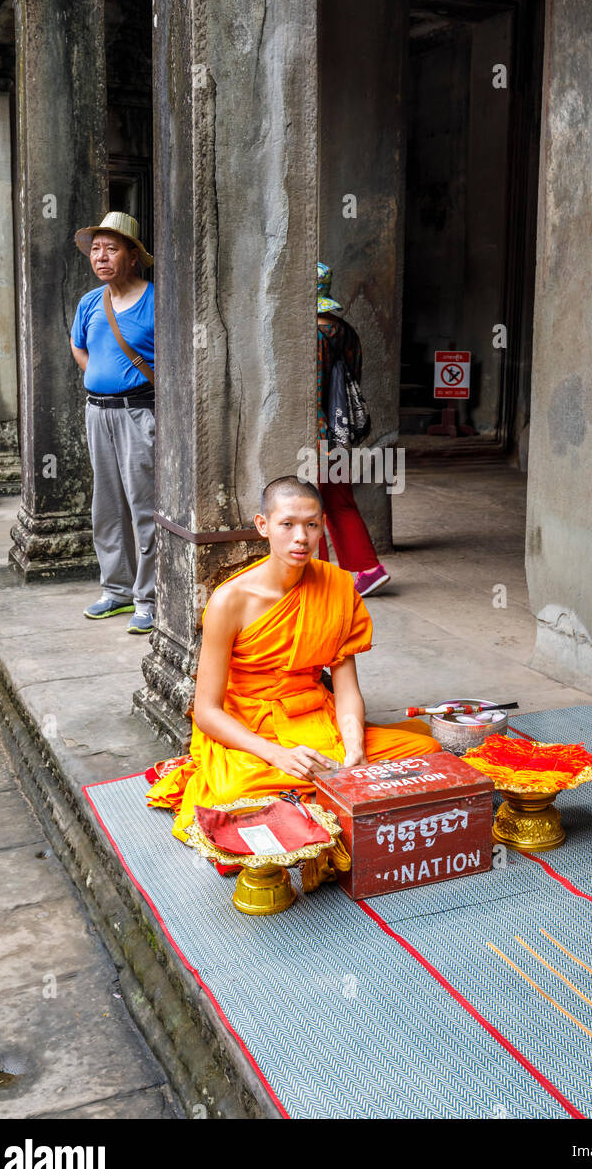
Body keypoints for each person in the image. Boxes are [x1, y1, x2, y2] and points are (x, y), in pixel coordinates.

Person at [146, 476, 439, 845]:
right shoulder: (230, 601)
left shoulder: (338, 587)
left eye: (311, 525)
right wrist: (276, 755)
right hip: (253, 730)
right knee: (229, 793)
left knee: (426, 752)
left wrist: (355, 750)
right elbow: (206, 712)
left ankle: (310, 800)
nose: (300, 537)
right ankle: (324, 798)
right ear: (263, 526)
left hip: (316, 718)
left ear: (322, 527)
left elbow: (347, 690)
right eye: (287, 524)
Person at [70, 211, 156, 634]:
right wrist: (97, 379)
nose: (101, 256)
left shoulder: (155, 299)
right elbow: (78, 345)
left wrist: (126, 384)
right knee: (106, 506)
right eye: (96, 249)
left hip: (140, 414)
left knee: (144, 505)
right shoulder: (90, 302)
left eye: (112, 248)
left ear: (134, 256)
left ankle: (149, 596)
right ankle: (117, 590)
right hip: (97, 413)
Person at [316, 263, 390, 596]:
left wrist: (318, 437)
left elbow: (314, 390)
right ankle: (367, 570)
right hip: (341, 431)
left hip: (319, 434)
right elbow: (352, 382)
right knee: (340, 502)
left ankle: (313, 576)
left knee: (306, 504)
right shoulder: (345, 330)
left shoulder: (313, 334)